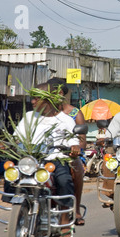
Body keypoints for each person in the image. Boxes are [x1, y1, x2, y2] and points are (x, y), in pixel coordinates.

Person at [13, 82, 81, 237]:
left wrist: (74, 146)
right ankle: (18, 214)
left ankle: (65, 218)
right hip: (32, 161)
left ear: (48, 99)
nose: (33, 101)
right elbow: (18, 137)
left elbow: (74, 140)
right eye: (32, 98)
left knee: (64, 180)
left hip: (55, 160)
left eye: (37, 98)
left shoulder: (64, 120)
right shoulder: (29, 117)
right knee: (12, 177)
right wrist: (8, 143)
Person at [47, 78, 87, 226]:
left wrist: (75, 149)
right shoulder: (42, 114)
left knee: (76, 167)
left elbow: (82, 140)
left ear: (61, 93)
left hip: (68, 155)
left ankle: (76, 209)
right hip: (46, 154)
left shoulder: (74, 113)